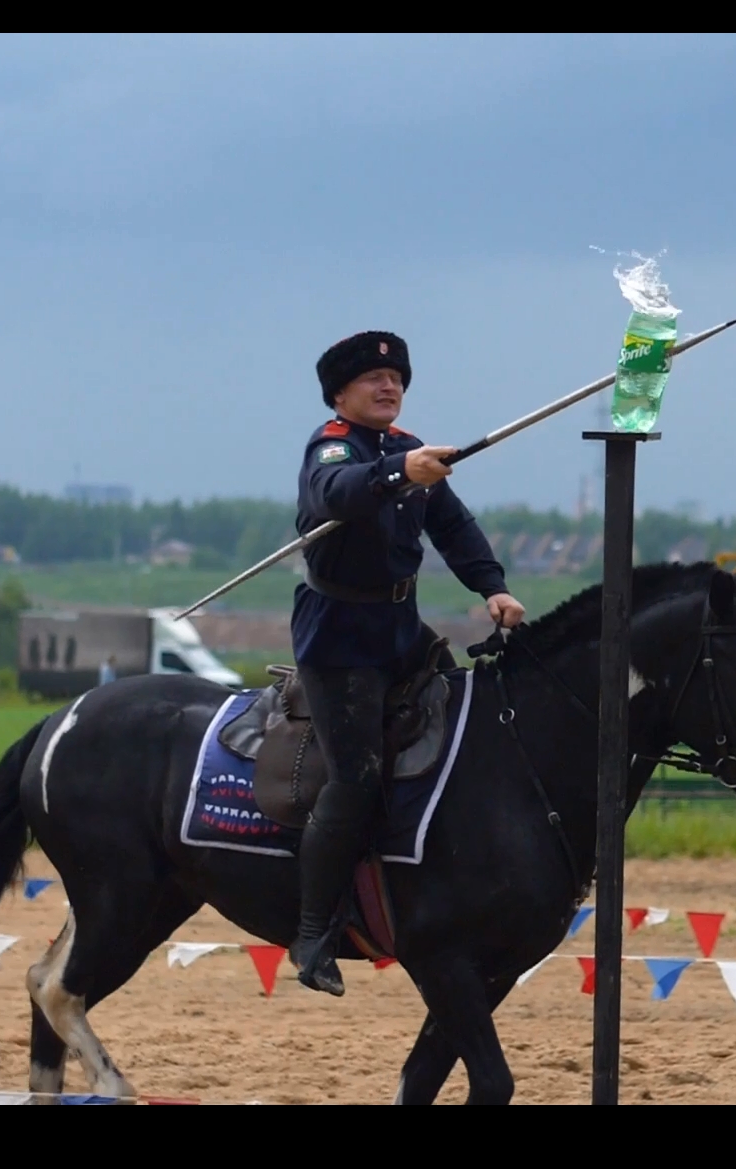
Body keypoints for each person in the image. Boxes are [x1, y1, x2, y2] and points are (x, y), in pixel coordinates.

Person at [285, 330, 525, 996]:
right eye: (372, 381)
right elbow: (335, 493)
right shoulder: (333, 445)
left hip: (400, 628)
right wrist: (399, 474)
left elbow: (452, 527)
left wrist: (493, 586)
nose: (388, 388)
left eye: (396, 380)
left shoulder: (406, 450)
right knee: (355, 777)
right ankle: (313, 932)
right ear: (341, 393)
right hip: (339, 637)